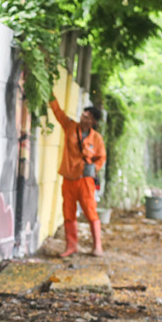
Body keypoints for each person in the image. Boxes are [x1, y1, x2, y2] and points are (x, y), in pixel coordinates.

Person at [49, 97, 107, 257]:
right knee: (68, 212)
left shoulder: (96, 139)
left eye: (87, 117)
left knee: (90, 211)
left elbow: (101, 157)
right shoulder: (70, 127)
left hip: (85, 180)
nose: (83, 118)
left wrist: (94, 168)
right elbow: (58, 112)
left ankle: (97, 246)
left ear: (93, 121)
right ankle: (71, 246)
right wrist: (50, 95)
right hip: (68, 178)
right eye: (83, 115)